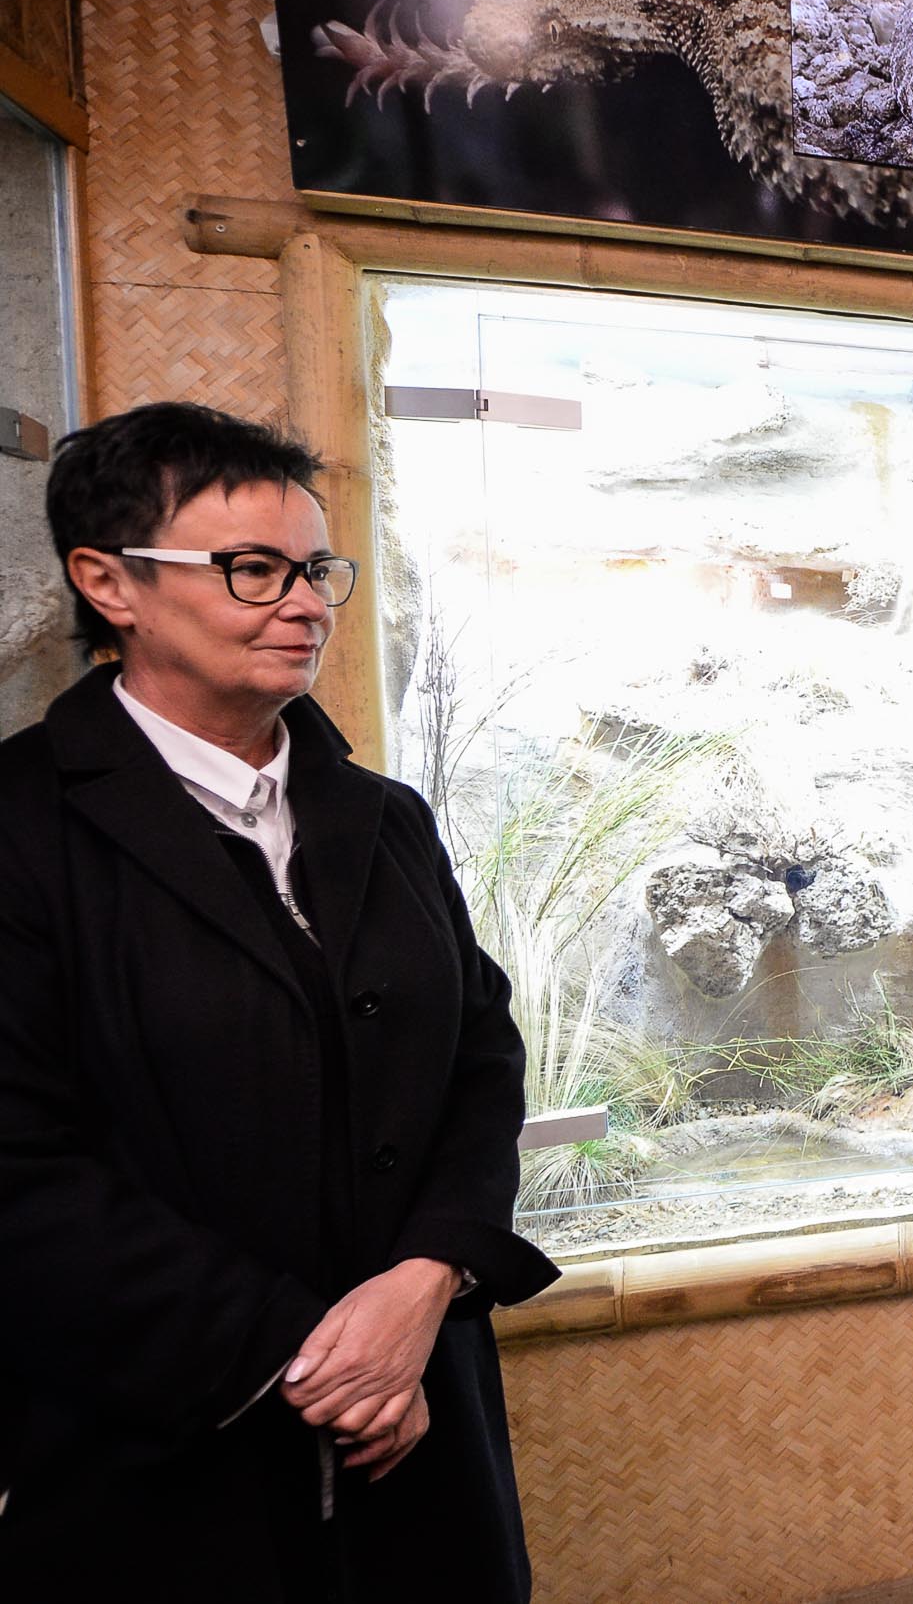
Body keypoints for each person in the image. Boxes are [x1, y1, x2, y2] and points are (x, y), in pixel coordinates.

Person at [0, 402, 561, 1598]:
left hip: (424, 1411)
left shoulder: (384, 814)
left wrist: (426, 1282)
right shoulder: (22, 826)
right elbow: (19, 1164)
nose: (302, 601)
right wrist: (317, 1361)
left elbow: (480, 1054)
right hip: (168, 1441)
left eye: (314, 568)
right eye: (252, 569)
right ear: (109, 581)